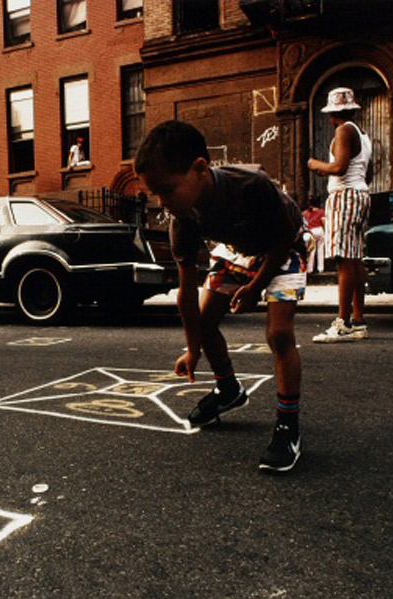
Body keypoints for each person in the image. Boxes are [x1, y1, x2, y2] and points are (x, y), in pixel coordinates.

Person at [134, 120, 306, 473]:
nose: (163, 203)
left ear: (200, 169)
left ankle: (289, 426)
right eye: (156, 195)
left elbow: (282, 243)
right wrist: (193, 348)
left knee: (278, 334)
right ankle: (228, 390)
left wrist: (256, 287)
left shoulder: (252, 186)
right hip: (238, 249)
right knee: (205, 321)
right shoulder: (182, 217)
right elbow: (186, 291)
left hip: (282, 245)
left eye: (167, 190)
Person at [307, 87, 373, 343]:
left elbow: (339, 166)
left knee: (344, 260)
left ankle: (342, 322)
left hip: (344, 196)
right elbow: (366, 171)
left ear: (332, 113)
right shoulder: (363, 134)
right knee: (355, 259)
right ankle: (358, 320)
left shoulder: (343, 130)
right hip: (359, 194)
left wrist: (315, 165)